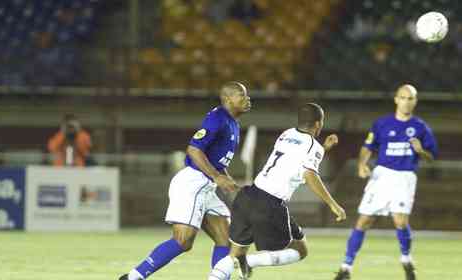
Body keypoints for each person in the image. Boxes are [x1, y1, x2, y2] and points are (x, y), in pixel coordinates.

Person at [118, 81, 251, 280]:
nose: (247, 99)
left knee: (226, 238)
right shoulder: (217, 118)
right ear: (228, 99)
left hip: (207, 186)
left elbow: (218, 163)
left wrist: (231, 184)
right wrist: (217, 177)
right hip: (193, 182)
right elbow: (194, 149)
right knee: (183, 241)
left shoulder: (234, 124)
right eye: (242, 95)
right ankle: (133, 277)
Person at [208, 102, 347, 280]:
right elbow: (310, 174)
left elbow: (295, 157)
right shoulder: (312, 146)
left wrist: (323, 148)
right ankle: (249, 262)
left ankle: (226, 271)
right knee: (300, 250)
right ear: (319, 124)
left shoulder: (286, 134)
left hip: (249, 195)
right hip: (270, 205)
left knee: (234, 253)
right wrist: (333, 204)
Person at [333, 84, 438, 280]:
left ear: (415, 102)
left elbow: (432, 157)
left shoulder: (421, 127)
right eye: (403, 97)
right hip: (381, 176)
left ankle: (406, 260)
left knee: (400, 221)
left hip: (405, 176)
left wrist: (421, 151)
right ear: (396, 99)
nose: (406, 102)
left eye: (410, 98)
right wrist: (362, 165)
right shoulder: (382, 124)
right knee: (364, 221)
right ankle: (345, 267)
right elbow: (368, 147)